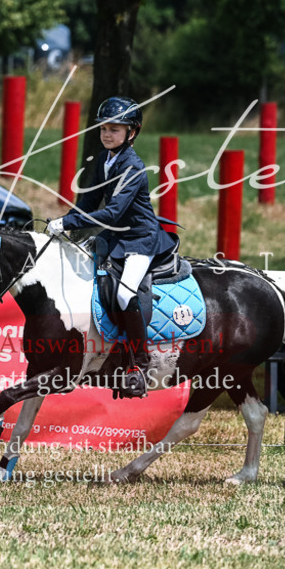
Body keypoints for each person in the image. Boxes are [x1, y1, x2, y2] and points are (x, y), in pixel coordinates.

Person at [46, 96, 177, 399]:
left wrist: (68, 223)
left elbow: (114, 212)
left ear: (132, 133)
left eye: (115, 129)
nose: (107, 134)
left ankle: (139, 364)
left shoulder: (133, 166)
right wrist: (69, 221)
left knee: (123, 293)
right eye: (104, 128)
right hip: (116, 238)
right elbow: (89, 203)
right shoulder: (102, 161)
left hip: (140, 240)